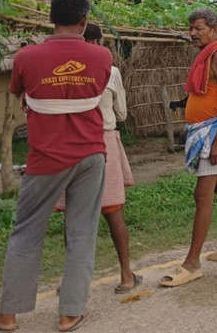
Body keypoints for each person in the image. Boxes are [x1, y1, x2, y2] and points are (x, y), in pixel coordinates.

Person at [0, 0, 112, 333]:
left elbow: (21, 93)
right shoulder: (101, 56)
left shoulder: (27, 57)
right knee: (82, 233)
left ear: (51, 19)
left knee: (26, 233)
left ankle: (7, 315)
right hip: (90, 155)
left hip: (46, 158)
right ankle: (70, 313)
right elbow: (92, 92)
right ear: (84, 21)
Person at [160, 8, 217, 288]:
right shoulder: (206, 55)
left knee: (203, 195)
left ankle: (192, 264)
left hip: (214, 133)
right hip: (206, 132)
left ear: (214, 29)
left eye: (198, 28)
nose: (192, 33)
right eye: (191, 28)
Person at [53, 23, 139, 295]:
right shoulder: (110, 71)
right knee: (113, 210)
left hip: (70, 144)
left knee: (73, 216)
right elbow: (122, 114)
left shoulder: (61, 71)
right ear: (99, 42)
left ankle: (72, 281)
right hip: (103, 143)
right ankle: (126, 275)